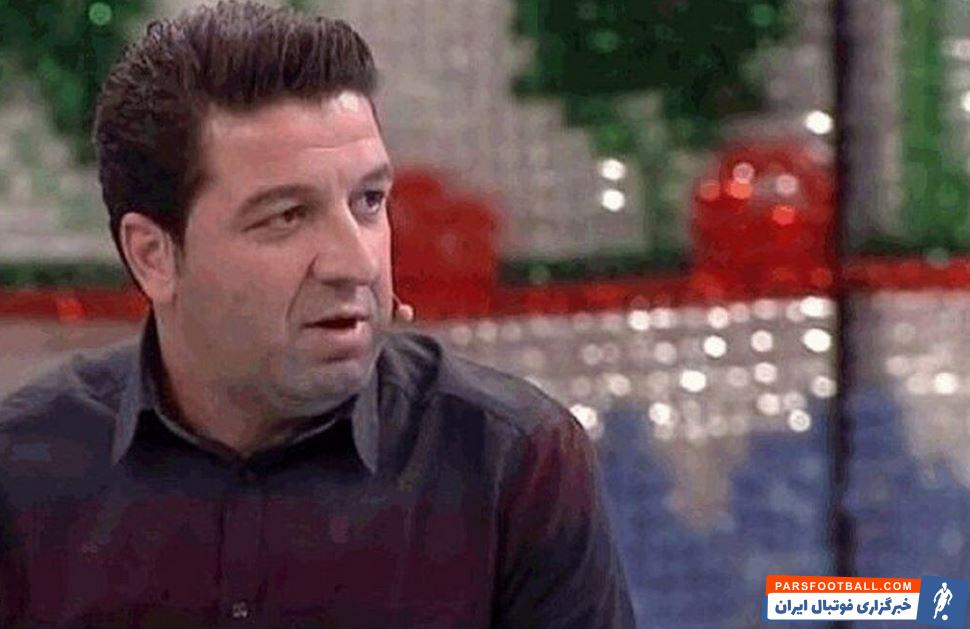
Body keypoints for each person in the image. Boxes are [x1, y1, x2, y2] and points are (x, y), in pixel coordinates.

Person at [0, 2, 636, 627]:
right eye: (287, 216)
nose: (355, 263)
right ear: (153, 256)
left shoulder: (515, 464)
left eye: (369, 201)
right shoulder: (20, 473)